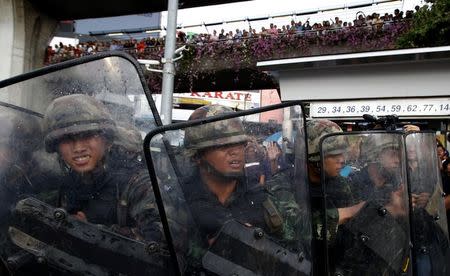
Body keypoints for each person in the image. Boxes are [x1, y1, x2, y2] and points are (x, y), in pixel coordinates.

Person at [181, 104, 308, 274]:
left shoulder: (262, 199)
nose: (235, 151)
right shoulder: (177, 199)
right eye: (222, 145)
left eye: (239, 143)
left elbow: (293, 256)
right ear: (197, 155)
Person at [42, 94, 163, 244]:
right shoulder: (68, 181)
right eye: (67, 139)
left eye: (87, 135)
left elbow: (162, 245)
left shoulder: (139, 183)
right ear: (57, 148)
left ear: (107, 140)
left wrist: (93, 232)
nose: (78, 148)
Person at [334, 134, 411, 275]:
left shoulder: (395, 183)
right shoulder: (350, 185)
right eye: (393, 154)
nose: (398, 160)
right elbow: (346, 230)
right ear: (374, 155)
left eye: (400, 155)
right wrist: (388, 211)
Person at [306, 119, 365, 275]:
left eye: (342, 153)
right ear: (314, 157)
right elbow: (298, 229)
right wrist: (350, 212)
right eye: (334, 154)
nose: (342, 160)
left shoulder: (340, 184)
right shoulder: (286, 185)